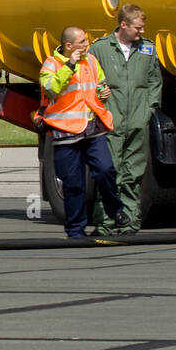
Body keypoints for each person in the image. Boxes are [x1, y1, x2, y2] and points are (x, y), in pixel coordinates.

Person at [37, 26, 131, 238]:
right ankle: (76, 231)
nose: (87, 45)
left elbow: (99, 85)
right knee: (74, 184)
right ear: (69, 46)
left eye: (87, 41)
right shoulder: (51, 64)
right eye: (82, 42)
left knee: (106, 169)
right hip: (65, 132)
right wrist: (69, 65)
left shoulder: (91, 60)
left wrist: (103, 92)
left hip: (91, 128)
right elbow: (51, 88)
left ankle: (115, 209)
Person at [88, 5, 161, 234]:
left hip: (137, 122)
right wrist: (99, 97)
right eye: (137, 27)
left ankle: (129, 222)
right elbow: (86, 79)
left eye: (142, 28)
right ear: (123, 25)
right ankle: (106, 222)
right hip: (110, 121)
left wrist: (147, 111)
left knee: (133, 174)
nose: (141, 31)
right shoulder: (100, 49)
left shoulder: (148, 49)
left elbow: (154, 83)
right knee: (110, 174)